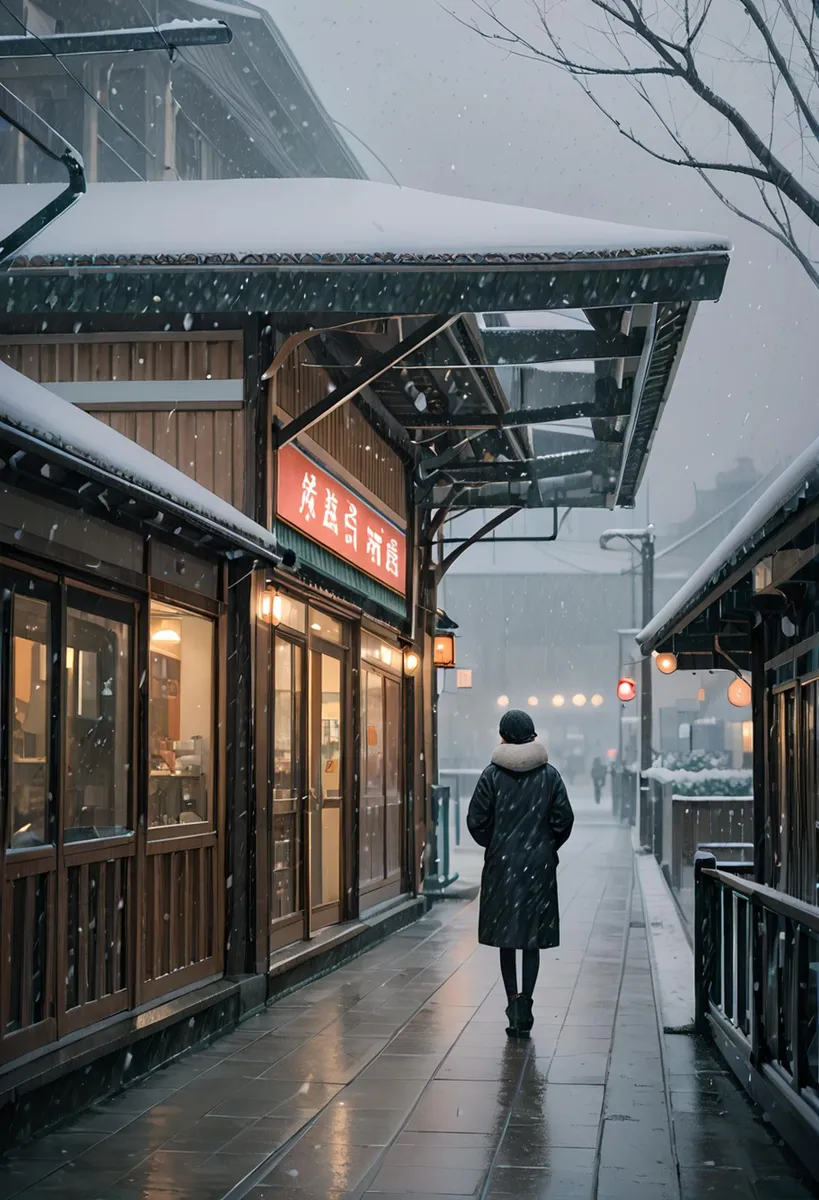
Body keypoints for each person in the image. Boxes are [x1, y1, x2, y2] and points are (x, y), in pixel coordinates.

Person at [467, 708, 574, 1038]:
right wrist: (545, 844)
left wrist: (498, 843)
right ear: (533, 735)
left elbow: (476, 821)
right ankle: (527, 1001)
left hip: (502, 866)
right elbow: (563, 820)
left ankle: (512, 1003)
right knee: (531, 939)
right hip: (538, 866)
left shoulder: (491, 775)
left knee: (506, 938)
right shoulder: (549, 775)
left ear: (502, 736)